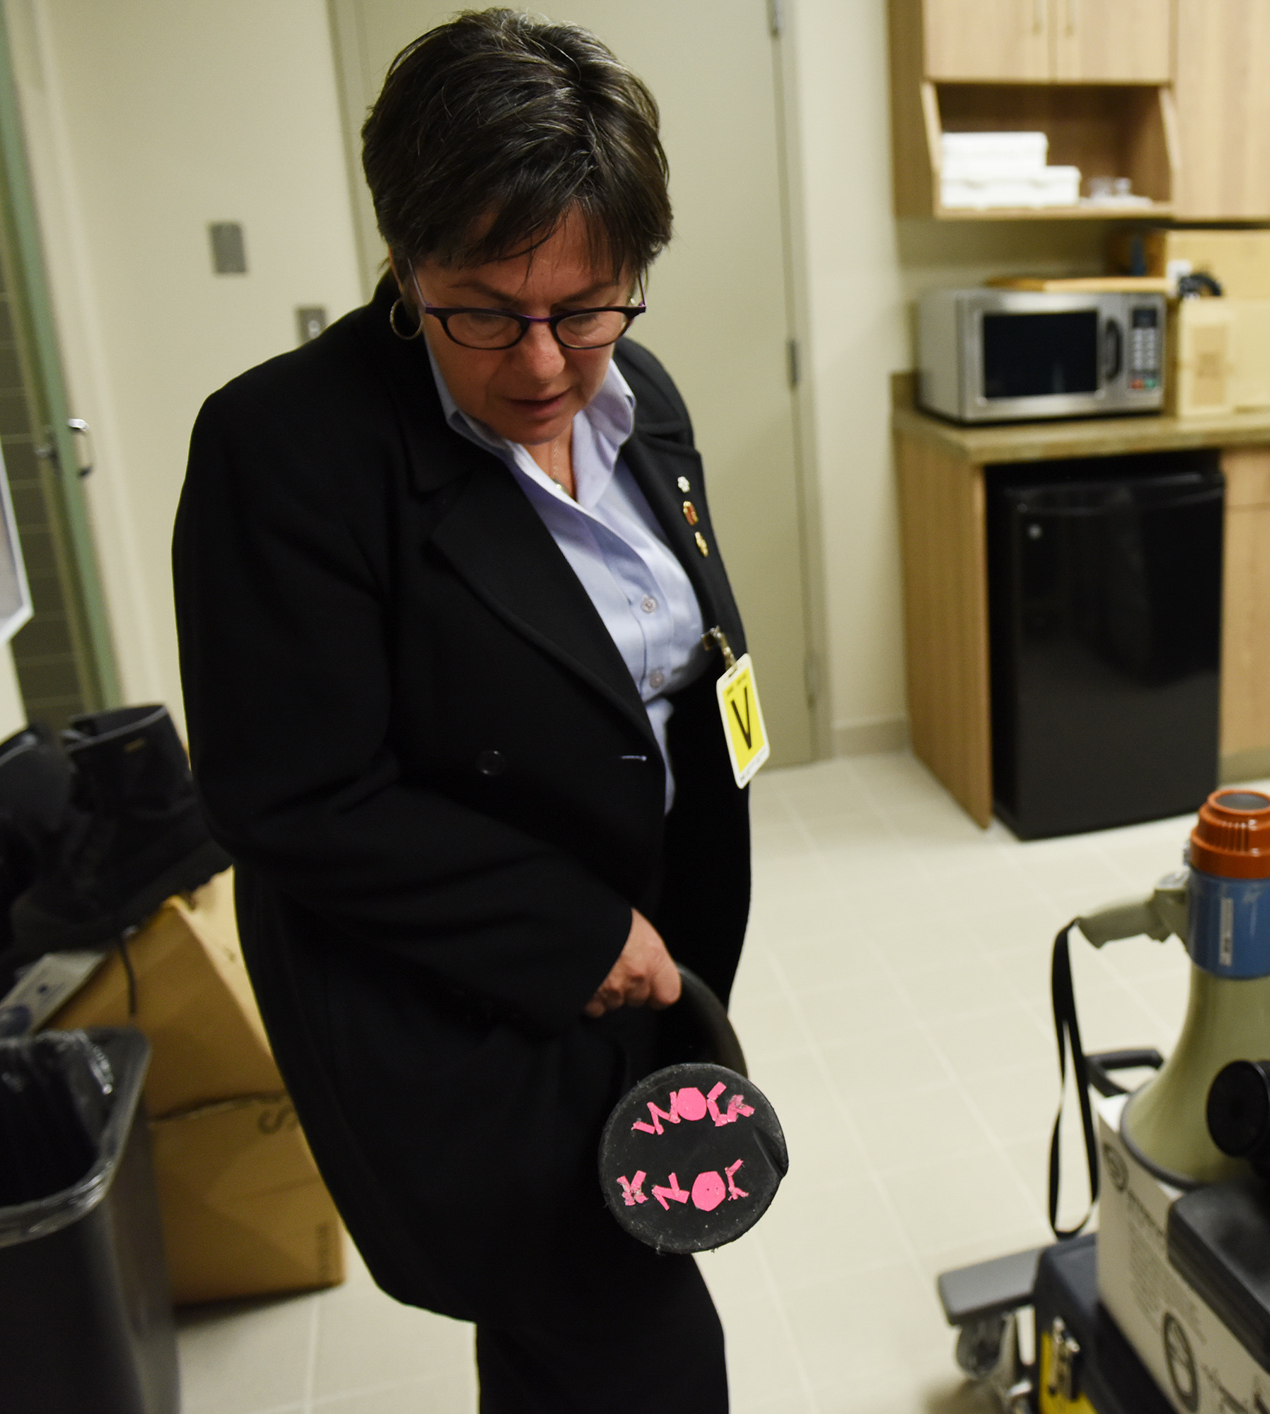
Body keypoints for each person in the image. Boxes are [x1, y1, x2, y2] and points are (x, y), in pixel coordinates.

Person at [172, 12, 749, 1410]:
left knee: (554, 1344)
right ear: (401, 258)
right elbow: (291, 796)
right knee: (642, 1350)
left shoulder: (642, 397)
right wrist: (580, 935)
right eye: (485, 310)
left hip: (646, 969)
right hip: (466, 1003)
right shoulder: (287, 450)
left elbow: (671, 666)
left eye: (588, 305)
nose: (546, 362)